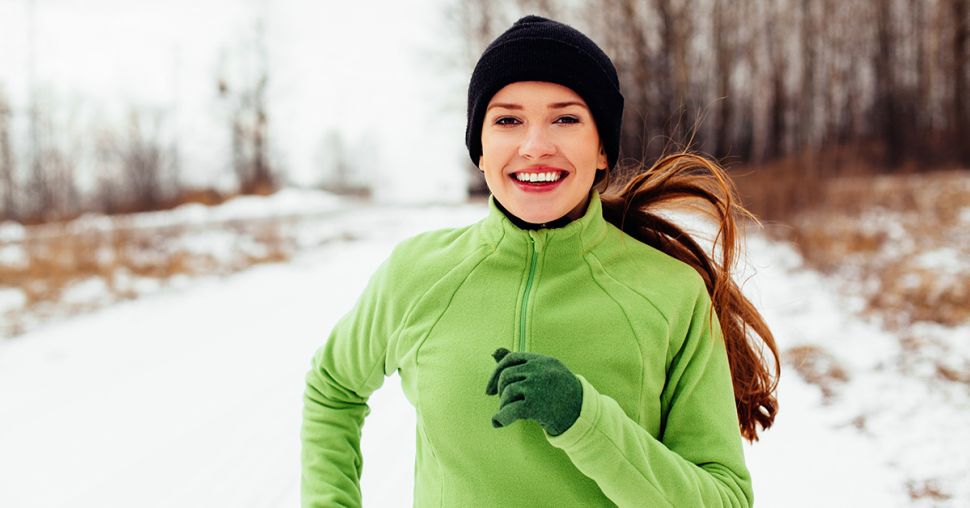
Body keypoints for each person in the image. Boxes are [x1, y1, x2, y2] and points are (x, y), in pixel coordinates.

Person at [302, 14, 779, 508]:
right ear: (480, 150)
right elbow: (332, 389)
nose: (535, 146)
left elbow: (726, 500)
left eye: (566, 118)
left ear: (601, 150)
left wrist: (583, 419)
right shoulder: (417, 275)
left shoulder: (670, 293)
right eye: (508, 120)